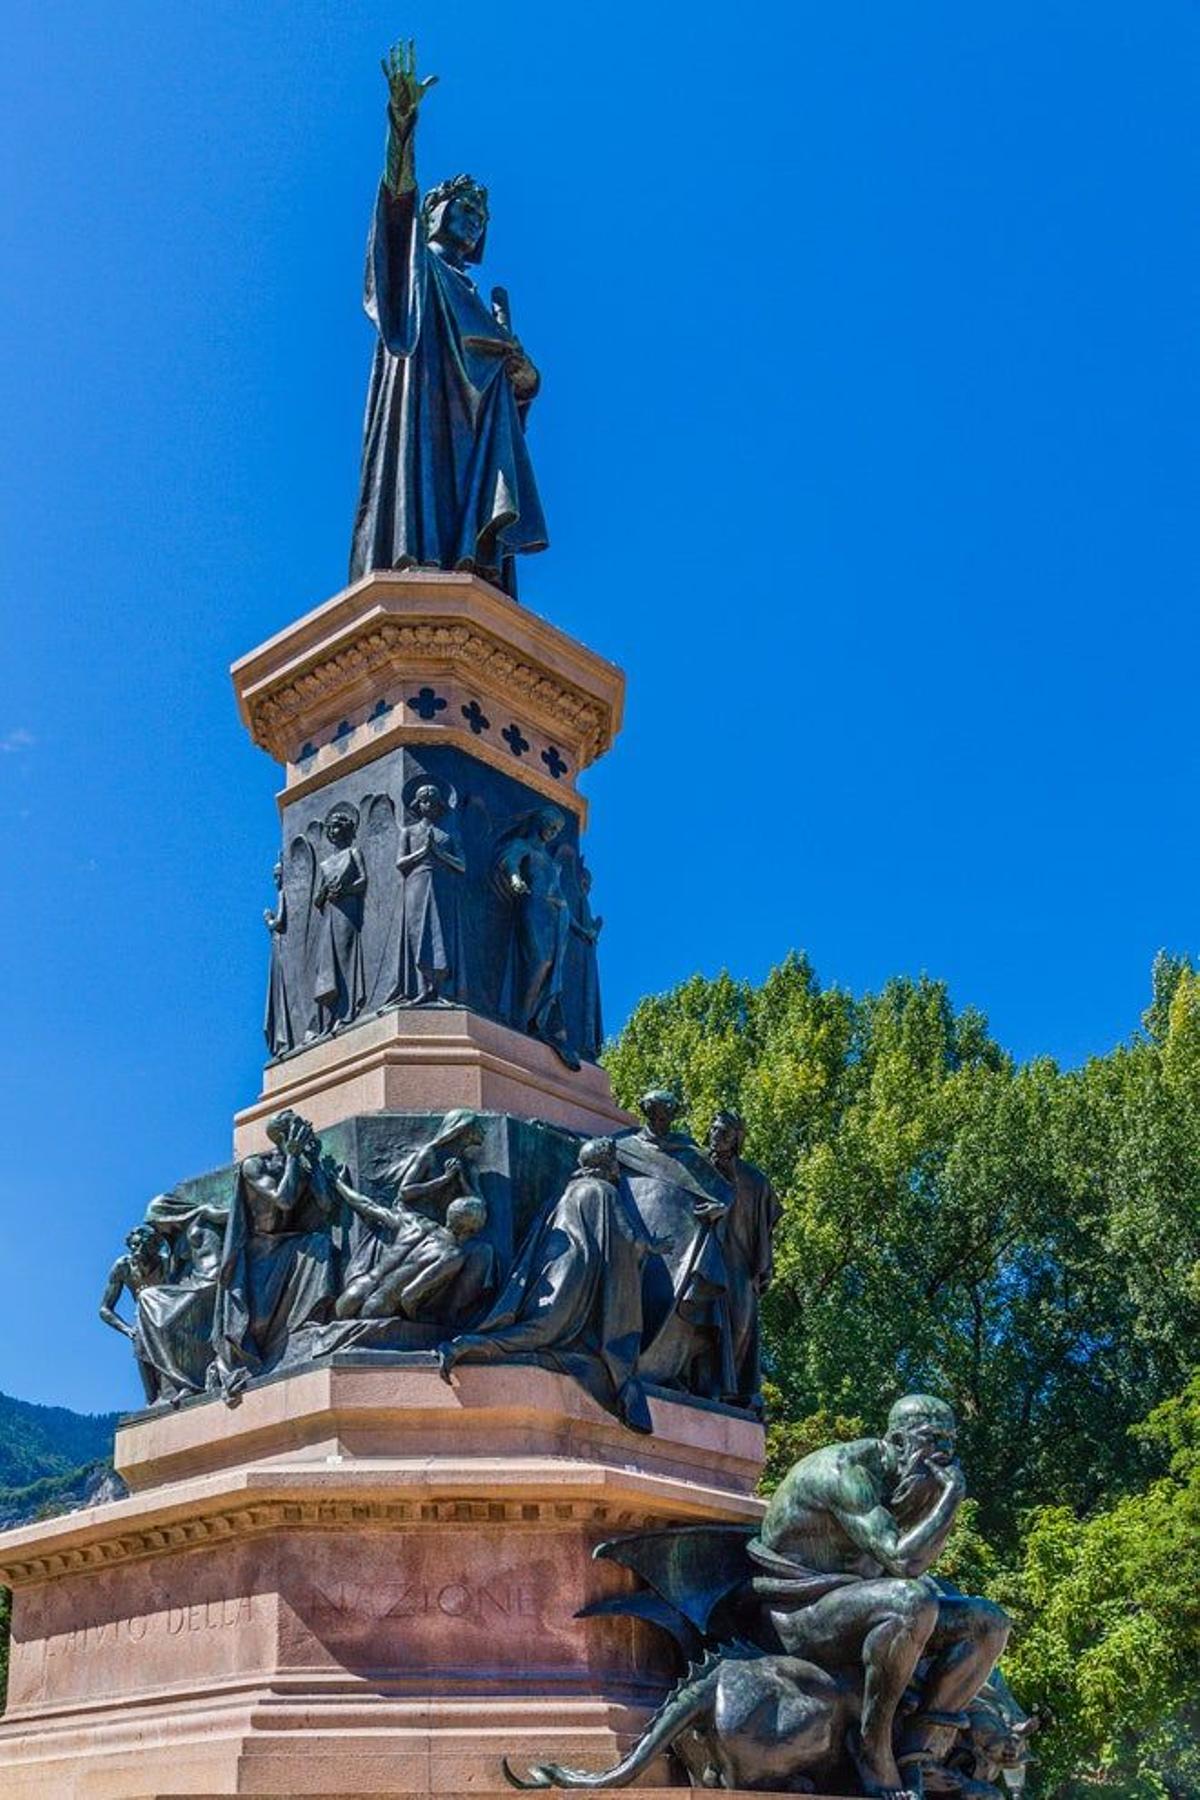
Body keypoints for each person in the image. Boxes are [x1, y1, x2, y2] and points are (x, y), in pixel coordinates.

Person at [349, 40, 547, 596]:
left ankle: (473, 560)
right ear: (436, 212)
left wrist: (521, 374)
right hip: (421, 415)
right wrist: (402, 133)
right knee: (420, 497)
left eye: (480, 217)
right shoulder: (420, 272)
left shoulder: (482, 304)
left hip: (471, 449)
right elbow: (395, 218)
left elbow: (507, 396)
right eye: (464, 208)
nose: (473, 221)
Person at [751, 1395, 1010, 1799]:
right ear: (899, 1441)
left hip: (859, 1607)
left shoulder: (905, 1482)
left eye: (950, 1443)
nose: (943, 1454)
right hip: (799, 1614)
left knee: (988, 1621)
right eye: (932, 1440)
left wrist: (934, 1501)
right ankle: (874, 1747)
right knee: (912, 1601)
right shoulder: (845, 1472)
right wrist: (950, 1497)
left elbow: (914, 1564)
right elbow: (905, 1564)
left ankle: (917, 1753)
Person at [439, 1138, 658, 1432]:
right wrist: (655, 1246)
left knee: (538, 1329)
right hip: (574, 1275)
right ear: (607, 1165)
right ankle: (465, 1345)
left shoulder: (568, 1190)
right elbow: (629, 1240)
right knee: (541, 1330)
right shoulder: (604, 1191)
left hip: (555, 1271)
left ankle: (467, 1344)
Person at [212, 1110, 340, 1397]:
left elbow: (327, 1204)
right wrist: (294, 1157)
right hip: (259, 1251)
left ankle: (308, 1325)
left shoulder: (302, 1169)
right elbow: (283, 1200)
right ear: (284, 1135)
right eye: (298, 1125)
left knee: (320, 1244)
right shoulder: (255, 1165)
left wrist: (315, 1163)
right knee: (256, 1323)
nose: (307, 1126)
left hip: (290, 1244)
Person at [706, 1110, 781, 1412]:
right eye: (713, 1129)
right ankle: (705, 1386)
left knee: (739, 1325)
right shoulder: (695, 1164)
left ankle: (733, 1390)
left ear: (737, 1138)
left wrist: (764, 1266)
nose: (716, 1135)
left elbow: (766, 1225)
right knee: (701, 1324)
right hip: (701, 1259)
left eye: (724, 1131)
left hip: (737, 1262)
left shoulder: (754, 1181)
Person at [493, 808, 577, 1067]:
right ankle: (520, 1018)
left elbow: (560, 892)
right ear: (539, 822)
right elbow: (510, 861)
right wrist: (516, 879)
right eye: (550, 826)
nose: (552, 833)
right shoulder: (522, 845)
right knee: (538, 962)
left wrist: (581, 928)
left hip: (557, 916)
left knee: (552, 968)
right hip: (534, 907)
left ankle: (535, 1021)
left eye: (557, 831)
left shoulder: (549, 858)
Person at [391, 783, 466, 1005]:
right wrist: (423, 852)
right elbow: (400, 862)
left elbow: (462, 865)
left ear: (440, 806)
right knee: (418, 933)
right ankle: (421, 989)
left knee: (441, 935)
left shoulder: (448, 836)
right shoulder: (409, 832)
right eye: (424, 801)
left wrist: (440, 853)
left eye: (433, 801)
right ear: (417, 805)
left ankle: (441, 991)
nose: (429, 805)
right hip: (417, 884)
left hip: (443, 886)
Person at [312, 804, 368, 1036]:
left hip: (347, 911)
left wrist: (345, 891)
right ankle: (331, 1016)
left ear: (346, 829)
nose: (333, 831)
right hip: (330, 914)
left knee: (345, 957)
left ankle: (349, 1012)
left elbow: (363, 881)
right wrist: (325, 892)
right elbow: (316, 899)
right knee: (329, 964)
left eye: (337, 827)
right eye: (330, 828)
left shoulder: (353, 853)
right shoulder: (324, 865)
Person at [99, 1225, 168, 1403]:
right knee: (142, 1352)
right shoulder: (123, 1266)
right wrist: (128, 1330)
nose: (135, 1250)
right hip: (143, 1321)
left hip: (170, 1318)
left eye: (141, 1246)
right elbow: (104, 1309)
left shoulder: (166, 1263)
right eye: (133, 1245)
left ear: (153, 1247)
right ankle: (152, 1401)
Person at [263, 859, 294, 1056]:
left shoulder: (285, 894)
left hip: (282, 946)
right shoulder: (284, 893)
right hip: (279, 946)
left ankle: (284, 1037)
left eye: (278, 875)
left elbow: (279, 922)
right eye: (274, 876)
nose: (276, 879)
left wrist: (268, 919)